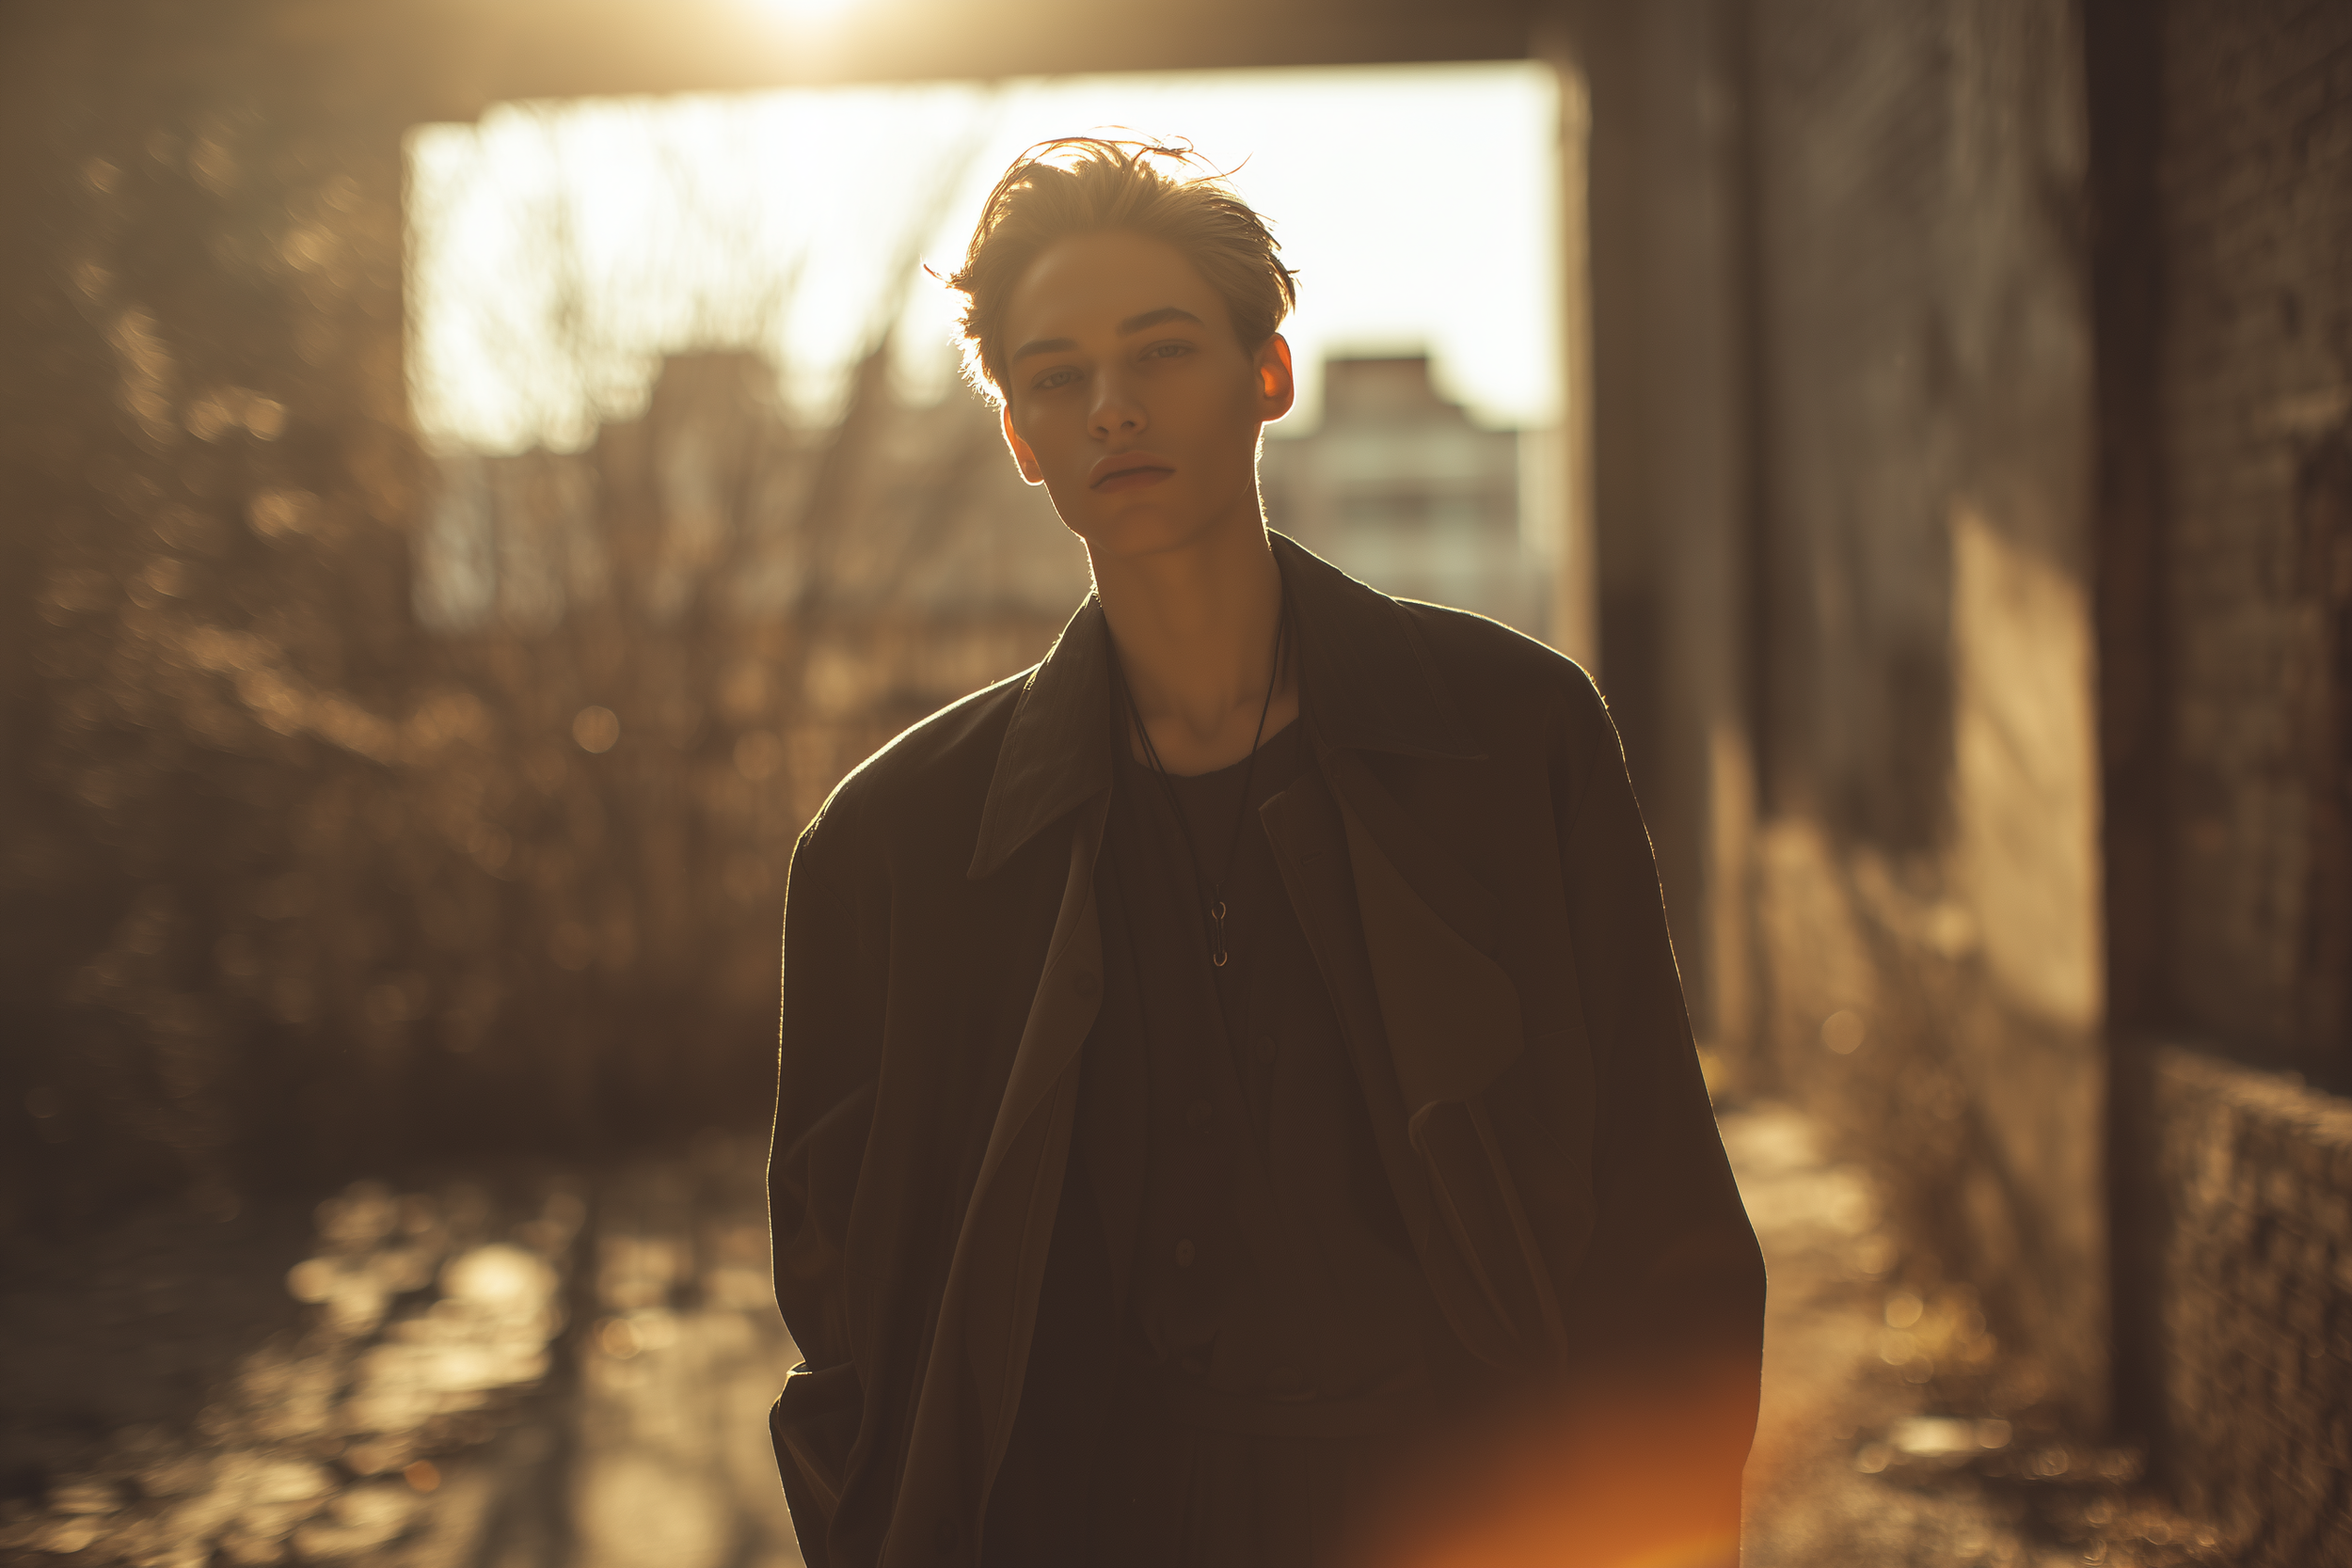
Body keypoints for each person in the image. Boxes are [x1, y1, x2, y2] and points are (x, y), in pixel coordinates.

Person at [767, 137, 1764, 1568]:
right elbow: (844, 1311)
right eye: (1056, 376)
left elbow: (1661, 1211)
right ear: (1021, 438)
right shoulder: (894, 844)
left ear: (1267, 376)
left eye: (1160, 351)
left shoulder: (1512, 736)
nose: (1112, 407)